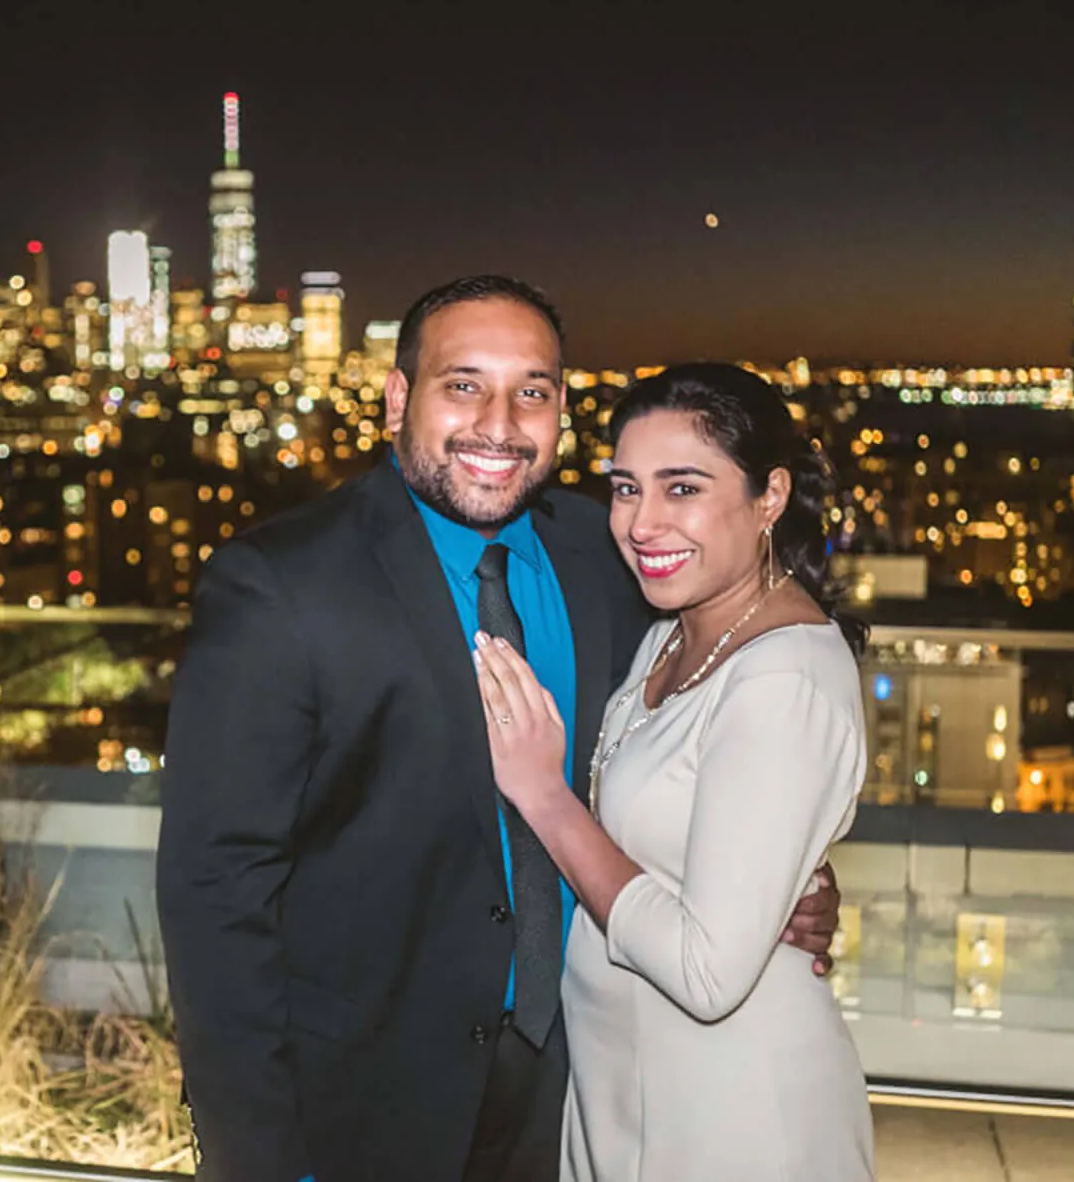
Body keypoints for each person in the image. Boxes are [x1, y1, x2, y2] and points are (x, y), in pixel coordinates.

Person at [156, 279, 842, 1182]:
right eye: (464, 384)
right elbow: (216, 896)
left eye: (533, 390)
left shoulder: (610, 555)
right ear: (399, 398)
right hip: (360, 1106)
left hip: (573, 1097)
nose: (501, 422)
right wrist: (256, 1159)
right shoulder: (281, 584)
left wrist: (782, 868)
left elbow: (695, 739)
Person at [472, 361, 875, 1181]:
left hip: (729, 1116)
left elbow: (706, 973)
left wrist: (546, 797)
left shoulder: (782, 679)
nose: (643, 523)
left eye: (682, 488)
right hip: (624, 1094)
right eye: (626, 488)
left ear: (768, 497)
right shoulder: (677, 627)